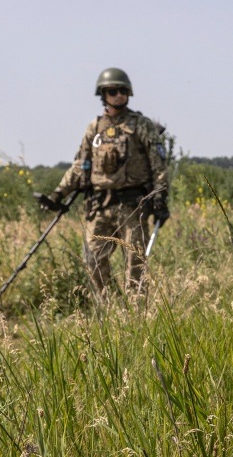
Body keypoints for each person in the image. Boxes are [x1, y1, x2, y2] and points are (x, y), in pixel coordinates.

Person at [41, 68, 170, 297]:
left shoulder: (140, 125)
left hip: (133, 207)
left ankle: (137, 319)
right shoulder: (95, 128)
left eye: (123, 90)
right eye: (112, 91)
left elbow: (158, 165)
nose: (118, 95)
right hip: (100, 207)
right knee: (93, 260)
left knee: (135, 267)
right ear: (103, 94)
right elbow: (80, 164)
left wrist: (160, 198)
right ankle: (113, 310)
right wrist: (57, 194)